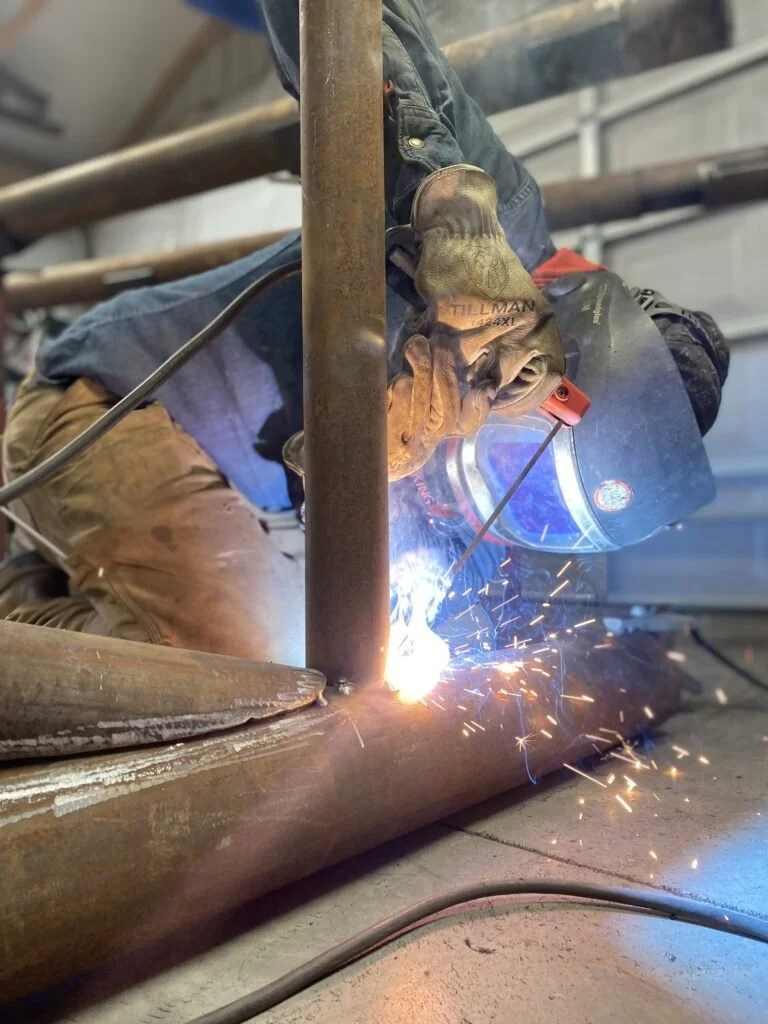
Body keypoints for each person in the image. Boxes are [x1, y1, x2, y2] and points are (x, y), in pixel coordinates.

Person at [0, 0, 729, 666]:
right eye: (525, 468)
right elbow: (358, 29)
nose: (498, 490)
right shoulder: (499, 212)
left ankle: (52, 569)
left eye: (540, 511)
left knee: (322, 656)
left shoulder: (481, 508)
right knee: (245, 662)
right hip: (108, 406)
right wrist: (445, 209)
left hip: (220, 470)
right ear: (568, 371)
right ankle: (20, 618)